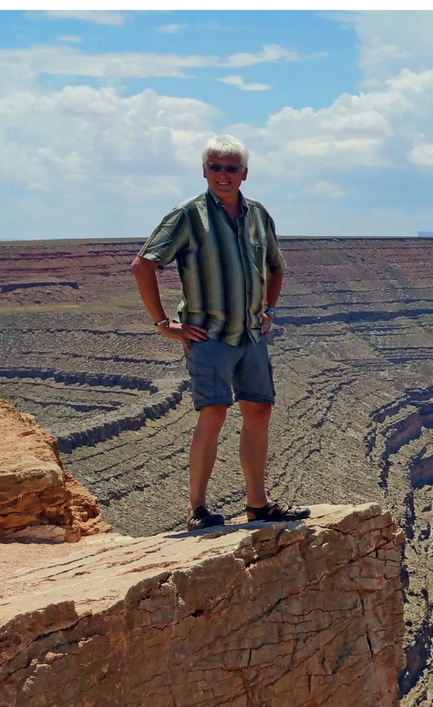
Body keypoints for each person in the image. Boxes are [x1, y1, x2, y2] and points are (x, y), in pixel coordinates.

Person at [130, 134, 307, 529]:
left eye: (230, 168)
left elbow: (276, 266)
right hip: (207, 336)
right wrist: (163, 324)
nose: (222, 175)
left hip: (250, 334)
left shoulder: (258, 215)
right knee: (212, 413)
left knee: (259, 411)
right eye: (214, 167)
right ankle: (197, 511)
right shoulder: (188, 215)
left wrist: (269, 311)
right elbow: (143, 265)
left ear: (244, 173)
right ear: (204, 170)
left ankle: (257, 505)